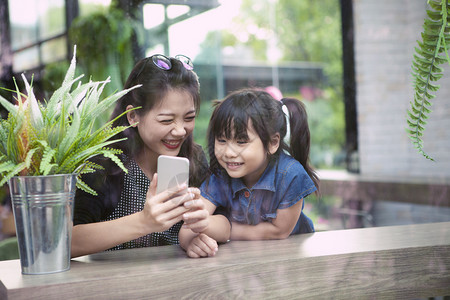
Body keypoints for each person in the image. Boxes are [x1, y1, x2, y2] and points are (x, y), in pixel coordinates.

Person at [72, 54, 228, 258]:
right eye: (166, 120)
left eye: (189, 118)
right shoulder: (103, 164)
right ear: (133, 116)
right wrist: (144, 222)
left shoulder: (194, 157)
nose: (180, 130)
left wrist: (199, 230)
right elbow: (69, 242)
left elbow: (224, 220)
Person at [180, 88, 319, 258]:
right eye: (222, 140)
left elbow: (278, 232)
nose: (229, 152)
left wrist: (225, 230)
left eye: (241, 141)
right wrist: (192, 241)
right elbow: (189, 226)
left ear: (273, 143)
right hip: (244, 261)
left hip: (293, 257)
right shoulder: (220, 177)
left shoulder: (290, 174)